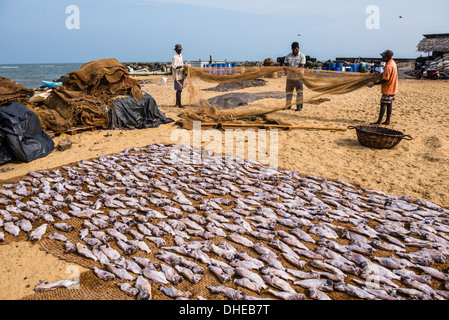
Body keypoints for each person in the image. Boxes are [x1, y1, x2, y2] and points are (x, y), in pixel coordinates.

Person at [366, 50, 398, 125]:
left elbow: (385, 80)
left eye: (383, 57)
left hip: (388, 88)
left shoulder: (389, 66)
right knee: (389, 104)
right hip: (393, 87)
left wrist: (374, 83)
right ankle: (387, 121)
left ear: (388, 57)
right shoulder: (392, 63)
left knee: (383, 104)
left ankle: (379, 121)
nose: (382, 58)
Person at [283, 42, 306, 111]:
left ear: (298, 48)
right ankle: (288, 106)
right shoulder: (288, 56)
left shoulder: (302, 56)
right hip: (289, 77)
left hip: (298, 78)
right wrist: (284, 66)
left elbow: (302, 65)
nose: (295, 51)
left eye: (296, 49)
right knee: (289, 92)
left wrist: (297, 69)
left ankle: (299, 106)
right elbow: (285, 63)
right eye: (293, 49)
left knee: (299, 93)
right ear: (291, 49)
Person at [172, 44, 184, 108]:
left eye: (180, 50)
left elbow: (182, 64)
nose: (180, 51)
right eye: (178, 50)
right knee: (178, 90)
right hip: (176, 76)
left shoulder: (181, 56)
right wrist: (180, 66)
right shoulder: (174, 57)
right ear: (176, 50)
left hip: (181, 75)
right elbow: (174, 67)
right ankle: (179, 104)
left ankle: (177, 103)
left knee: (180, 90)